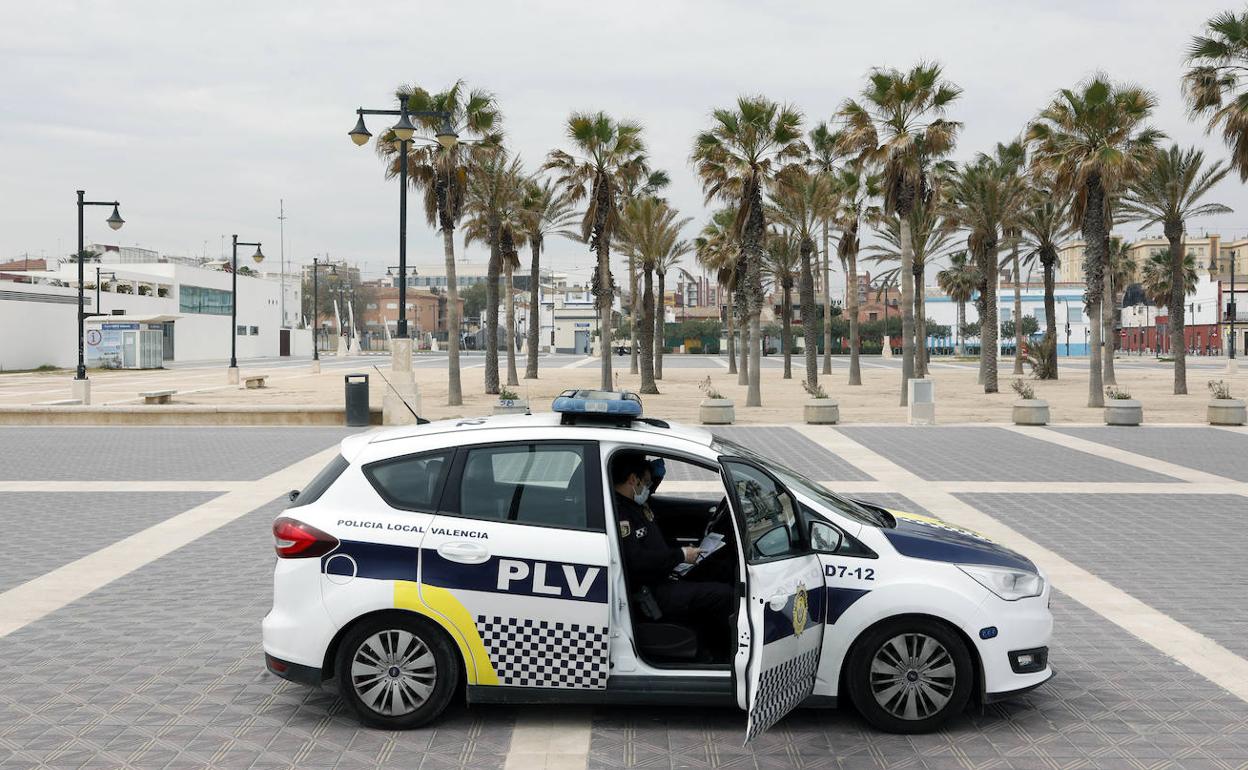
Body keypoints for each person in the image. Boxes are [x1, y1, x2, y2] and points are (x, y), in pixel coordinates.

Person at [611, 452, 734, 659]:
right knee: (725, 595)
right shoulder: (621, 513)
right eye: (646, 483)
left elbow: (647, 487)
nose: (649, 488)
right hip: (653, 590)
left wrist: (650, 469)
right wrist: (680, 555)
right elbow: (636, 561)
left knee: (720, 570)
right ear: (633, 480)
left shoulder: (635, 502)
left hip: (665, 576)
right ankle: (720, 656)